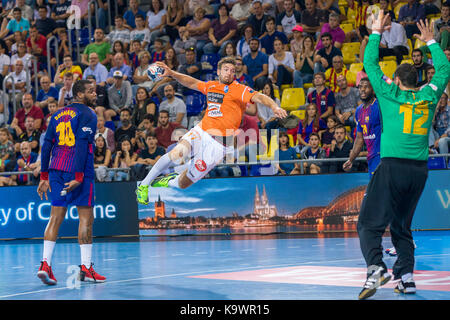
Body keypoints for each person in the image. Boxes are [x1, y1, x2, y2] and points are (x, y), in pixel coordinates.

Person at [356, 14, 450, 300]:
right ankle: (406, 278)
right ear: (418, 79)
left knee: (367, 225)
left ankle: (376, 267)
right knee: (400, 225)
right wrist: (431, 41)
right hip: (420, 172)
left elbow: (370, 64)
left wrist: (374, 32)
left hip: (393, 167)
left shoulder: (388, 93)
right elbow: (444, 71)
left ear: (397, 79)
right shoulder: (430, 95)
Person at [136, 57, 287, 204]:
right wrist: (172, 73)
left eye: (232, 70)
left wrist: (274, 106)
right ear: (219, 72)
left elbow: (259, 97)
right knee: (176, 154)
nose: (229, 73)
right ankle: (143, 185)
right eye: (226, 69)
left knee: (184, 183)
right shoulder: (211, 86)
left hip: (220, 145)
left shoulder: (239, 89)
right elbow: (191, 82)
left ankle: (168, 180)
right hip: (202, 130)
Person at [36, 79, 106, 285]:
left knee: (55, 217)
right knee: (86, 218)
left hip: (56, 169)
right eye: (91, 91)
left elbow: (47, 145)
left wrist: (44, 176)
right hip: (79, 171)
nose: (95, 94)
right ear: (79, 94)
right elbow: (82, 146)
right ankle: (86, 269)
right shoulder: (88, 114)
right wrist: (78, 176)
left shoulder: (57, 114)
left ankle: (45, 264)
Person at [343, 77, 380, 176]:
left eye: (366, 87)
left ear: (373, 89)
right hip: (371, 158)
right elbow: (359, 138)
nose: (362, 89)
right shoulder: (359, 110)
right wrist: (351, 160)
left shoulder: (379, 107)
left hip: (382, 157)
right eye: (360, 87)